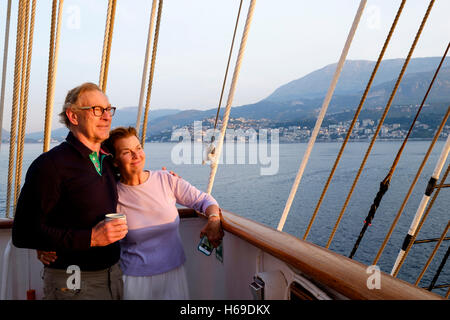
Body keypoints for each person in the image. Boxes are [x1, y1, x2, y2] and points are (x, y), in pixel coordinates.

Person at [12, 82, 128, 300]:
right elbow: (23, 232)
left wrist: (164, 178)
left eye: (108, 109)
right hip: (74, 283)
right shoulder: (50, 166)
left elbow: (134, 175)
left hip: (113, 276)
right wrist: (91, 238)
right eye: (96, 110)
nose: (106, 116)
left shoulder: (106, 160)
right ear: (74, 117)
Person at [104, 126, 224, 299]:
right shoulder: (111, 195)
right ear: (115, 161)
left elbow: (205, 200)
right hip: (134, 280)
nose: (136, 155)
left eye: (138, 148)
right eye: (126, 152)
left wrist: (214, 219)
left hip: (174, 273)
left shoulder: (166, 179)